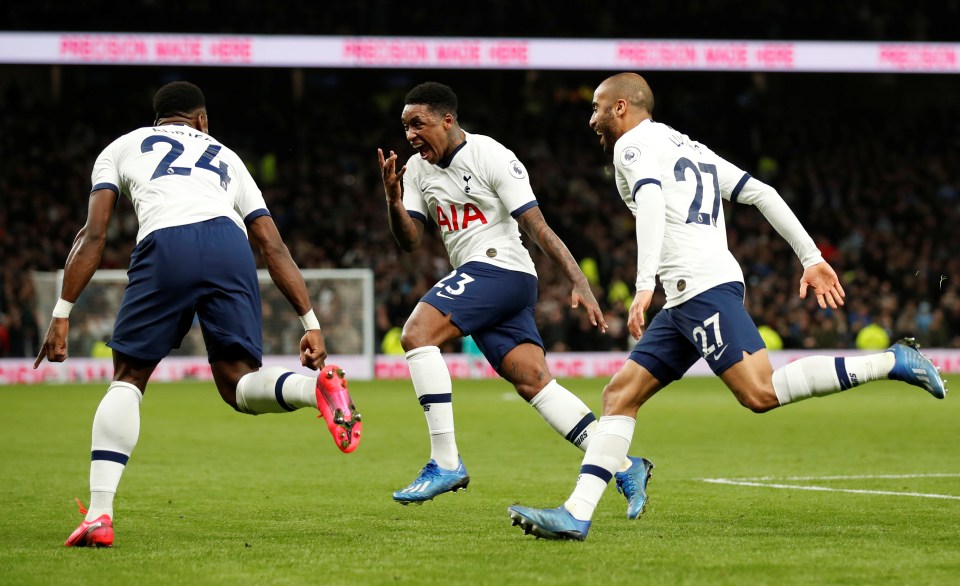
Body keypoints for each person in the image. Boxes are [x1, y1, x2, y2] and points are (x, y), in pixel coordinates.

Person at [507, 72, 947, 541]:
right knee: (620, 395)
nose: (590, 118)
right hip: (689, 295)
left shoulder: (631, 146)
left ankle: (892, 360)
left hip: (699, 286)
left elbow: (652, 200)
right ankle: (577, 512)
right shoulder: (689, 146)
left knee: (759, 393)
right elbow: (762, 192)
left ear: (621, 107)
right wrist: (811, 257)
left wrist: (642, 283)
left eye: (596, 107)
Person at [34, 81, 361, 548]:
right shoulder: (228, 157)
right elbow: (272, 244)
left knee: (128, 377)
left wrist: (62, 312)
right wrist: (311, 323)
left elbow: (94, 233)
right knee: (238, 383)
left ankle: (100, 515)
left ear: (158, 119)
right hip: (230, 247)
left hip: (166, 242)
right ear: (202, 120)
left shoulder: (122, 146)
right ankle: (315, 389)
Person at [378, 82, 653, 513]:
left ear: (448, 120)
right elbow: (410, 241)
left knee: (416, 335)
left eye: (419, 124)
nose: (410, 134)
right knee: (533, 382)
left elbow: (536, 226)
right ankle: (622, 464)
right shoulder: (415, 171)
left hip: (501, 268)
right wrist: (394, 202)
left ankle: (445, 461)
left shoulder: (491, 155)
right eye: (405, 126)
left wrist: (578, 280)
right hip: (483, 278)